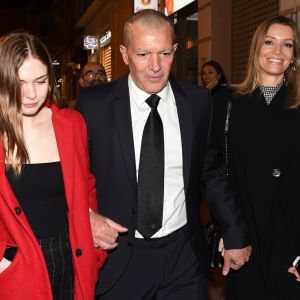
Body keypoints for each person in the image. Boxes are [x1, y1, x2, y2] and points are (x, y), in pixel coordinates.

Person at [76, 9, 251, 300]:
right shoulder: (94, 106)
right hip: (118, 258)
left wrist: (234, 231)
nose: (155, 66)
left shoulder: (196, 103)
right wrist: (86, 216)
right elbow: (71, 176)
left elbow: (211, 172)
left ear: (176, 50)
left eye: (165, 53)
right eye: (143, 54)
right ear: (124, 53)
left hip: (182, 258)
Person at [0, 31, 107, 299]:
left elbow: (86, 186)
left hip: (70, 260)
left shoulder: (71, 124)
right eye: (20, 83)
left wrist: (92, 236)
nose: (31, 94)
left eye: (40, 81)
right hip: (16, 267)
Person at [225, 16, 300, 300]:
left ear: (294, 56)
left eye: (287, 45)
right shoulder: (229, 103)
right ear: (257, 48)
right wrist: (229, 232)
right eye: (269, 42)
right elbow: (220, 174)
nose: (277, 52)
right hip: (244, 239)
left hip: (291, 239)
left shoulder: (297, 103)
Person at [201, 60, 232, 161]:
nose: (206, 76)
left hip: (223, 141)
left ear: (219, 75)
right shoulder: (202, 92)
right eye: (204, 73)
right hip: (209, 142)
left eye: (210, 72)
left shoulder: (226, 92)